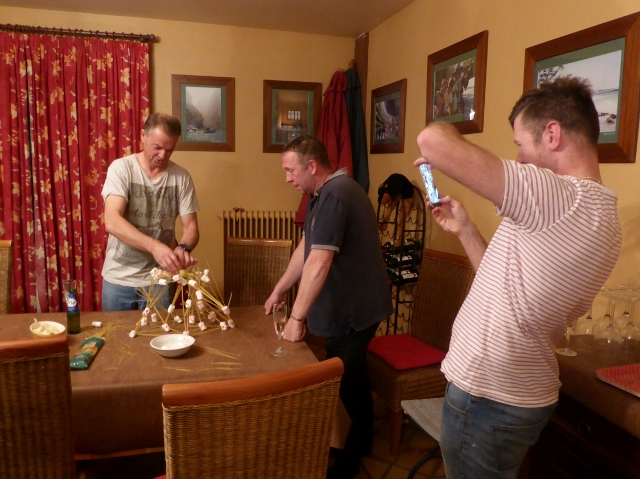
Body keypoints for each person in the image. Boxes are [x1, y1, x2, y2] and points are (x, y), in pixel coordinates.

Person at [413, 77, 621, 478]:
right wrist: (466, 231)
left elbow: (431, 141)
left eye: (521, 144)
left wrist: (442, 127)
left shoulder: (560, 197)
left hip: (486, 397)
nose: (520, 158)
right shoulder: (606, 219)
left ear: (552, 135)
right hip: (521, 394)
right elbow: (514, 292)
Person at [265, 135, 393, 479]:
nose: (287, 178)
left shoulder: (335, 194)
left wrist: (296, 318)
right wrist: (280, 288)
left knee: (342, 383)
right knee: (355, 376)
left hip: (355, 311)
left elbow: (319, 262)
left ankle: (347, 464)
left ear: (311, 166)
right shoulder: (322, 194)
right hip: (359, 307)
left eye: (290, 170)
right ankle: (363, 442)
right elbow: (306, 247)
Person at [101, 113, 200, 311]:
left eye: (170, 150)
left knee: (160, 331)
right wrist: (155, 247)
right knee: (116, 332)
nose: (163, 155)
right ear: (143, 136)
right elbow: (111, 221)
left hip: (160, 281)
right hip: (119, 279)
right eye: (157, 147)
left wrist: (182, 248)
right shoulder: (121, 169)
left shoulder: (181, 177)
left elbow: (191, 228)